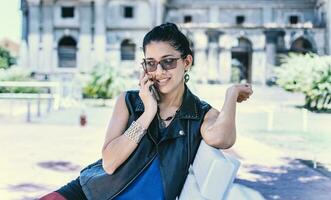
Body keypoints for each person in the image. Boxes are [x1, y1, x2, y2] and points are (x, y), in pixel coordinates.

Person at [40, 22, 253, 200]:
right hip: (90, 192)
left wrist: (231, 95)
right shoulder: (129, 101)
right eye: (151, 63)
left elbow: (224, 139)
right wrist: (148, 112)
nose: (159, 72)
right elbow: (110, 163)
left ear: (186, 62)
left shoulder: (199, 114)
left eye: (168, 62)